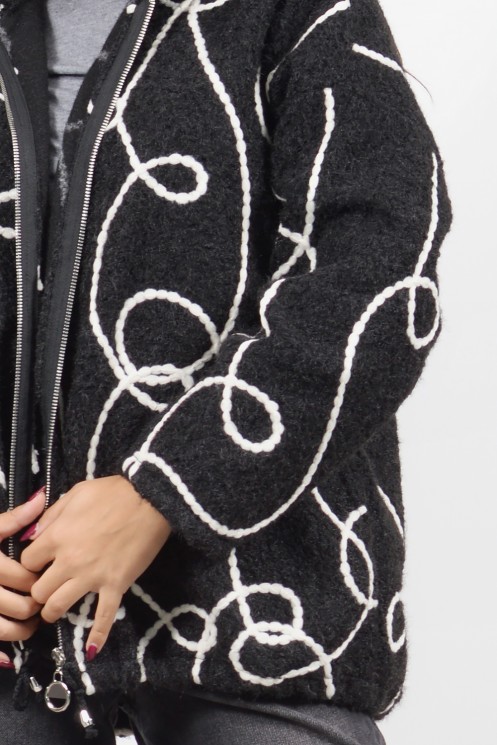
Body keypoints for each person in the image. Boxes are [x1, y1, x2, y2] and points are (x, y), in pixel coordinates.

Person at [0, 0, 453, 743]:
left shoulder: (291, 11)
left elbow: (382, 272)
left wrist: (166, 491)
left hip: (256, 610)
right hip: (20, 631)